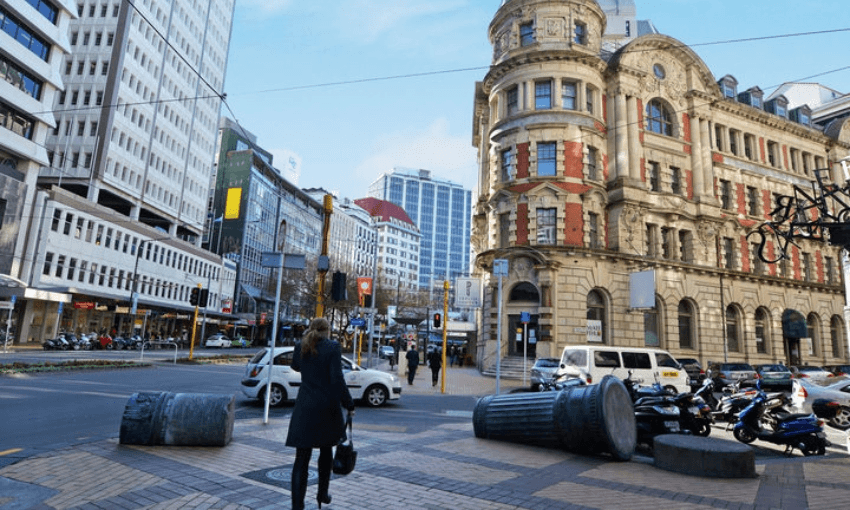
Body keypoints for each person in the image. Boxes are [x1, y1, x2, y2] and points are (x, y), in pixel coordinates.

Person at [285, 318, 355, 510]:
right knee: (325, 453)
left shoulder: (302, 346)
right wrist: (348, 403)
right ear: (327, 331)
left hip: (305, 407)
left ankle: (297, 506)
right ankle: (322, 493)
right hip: (327, 407)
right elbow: (337, 379)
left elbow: (296, 366)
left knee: (301, 459)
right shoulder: (332, 347)